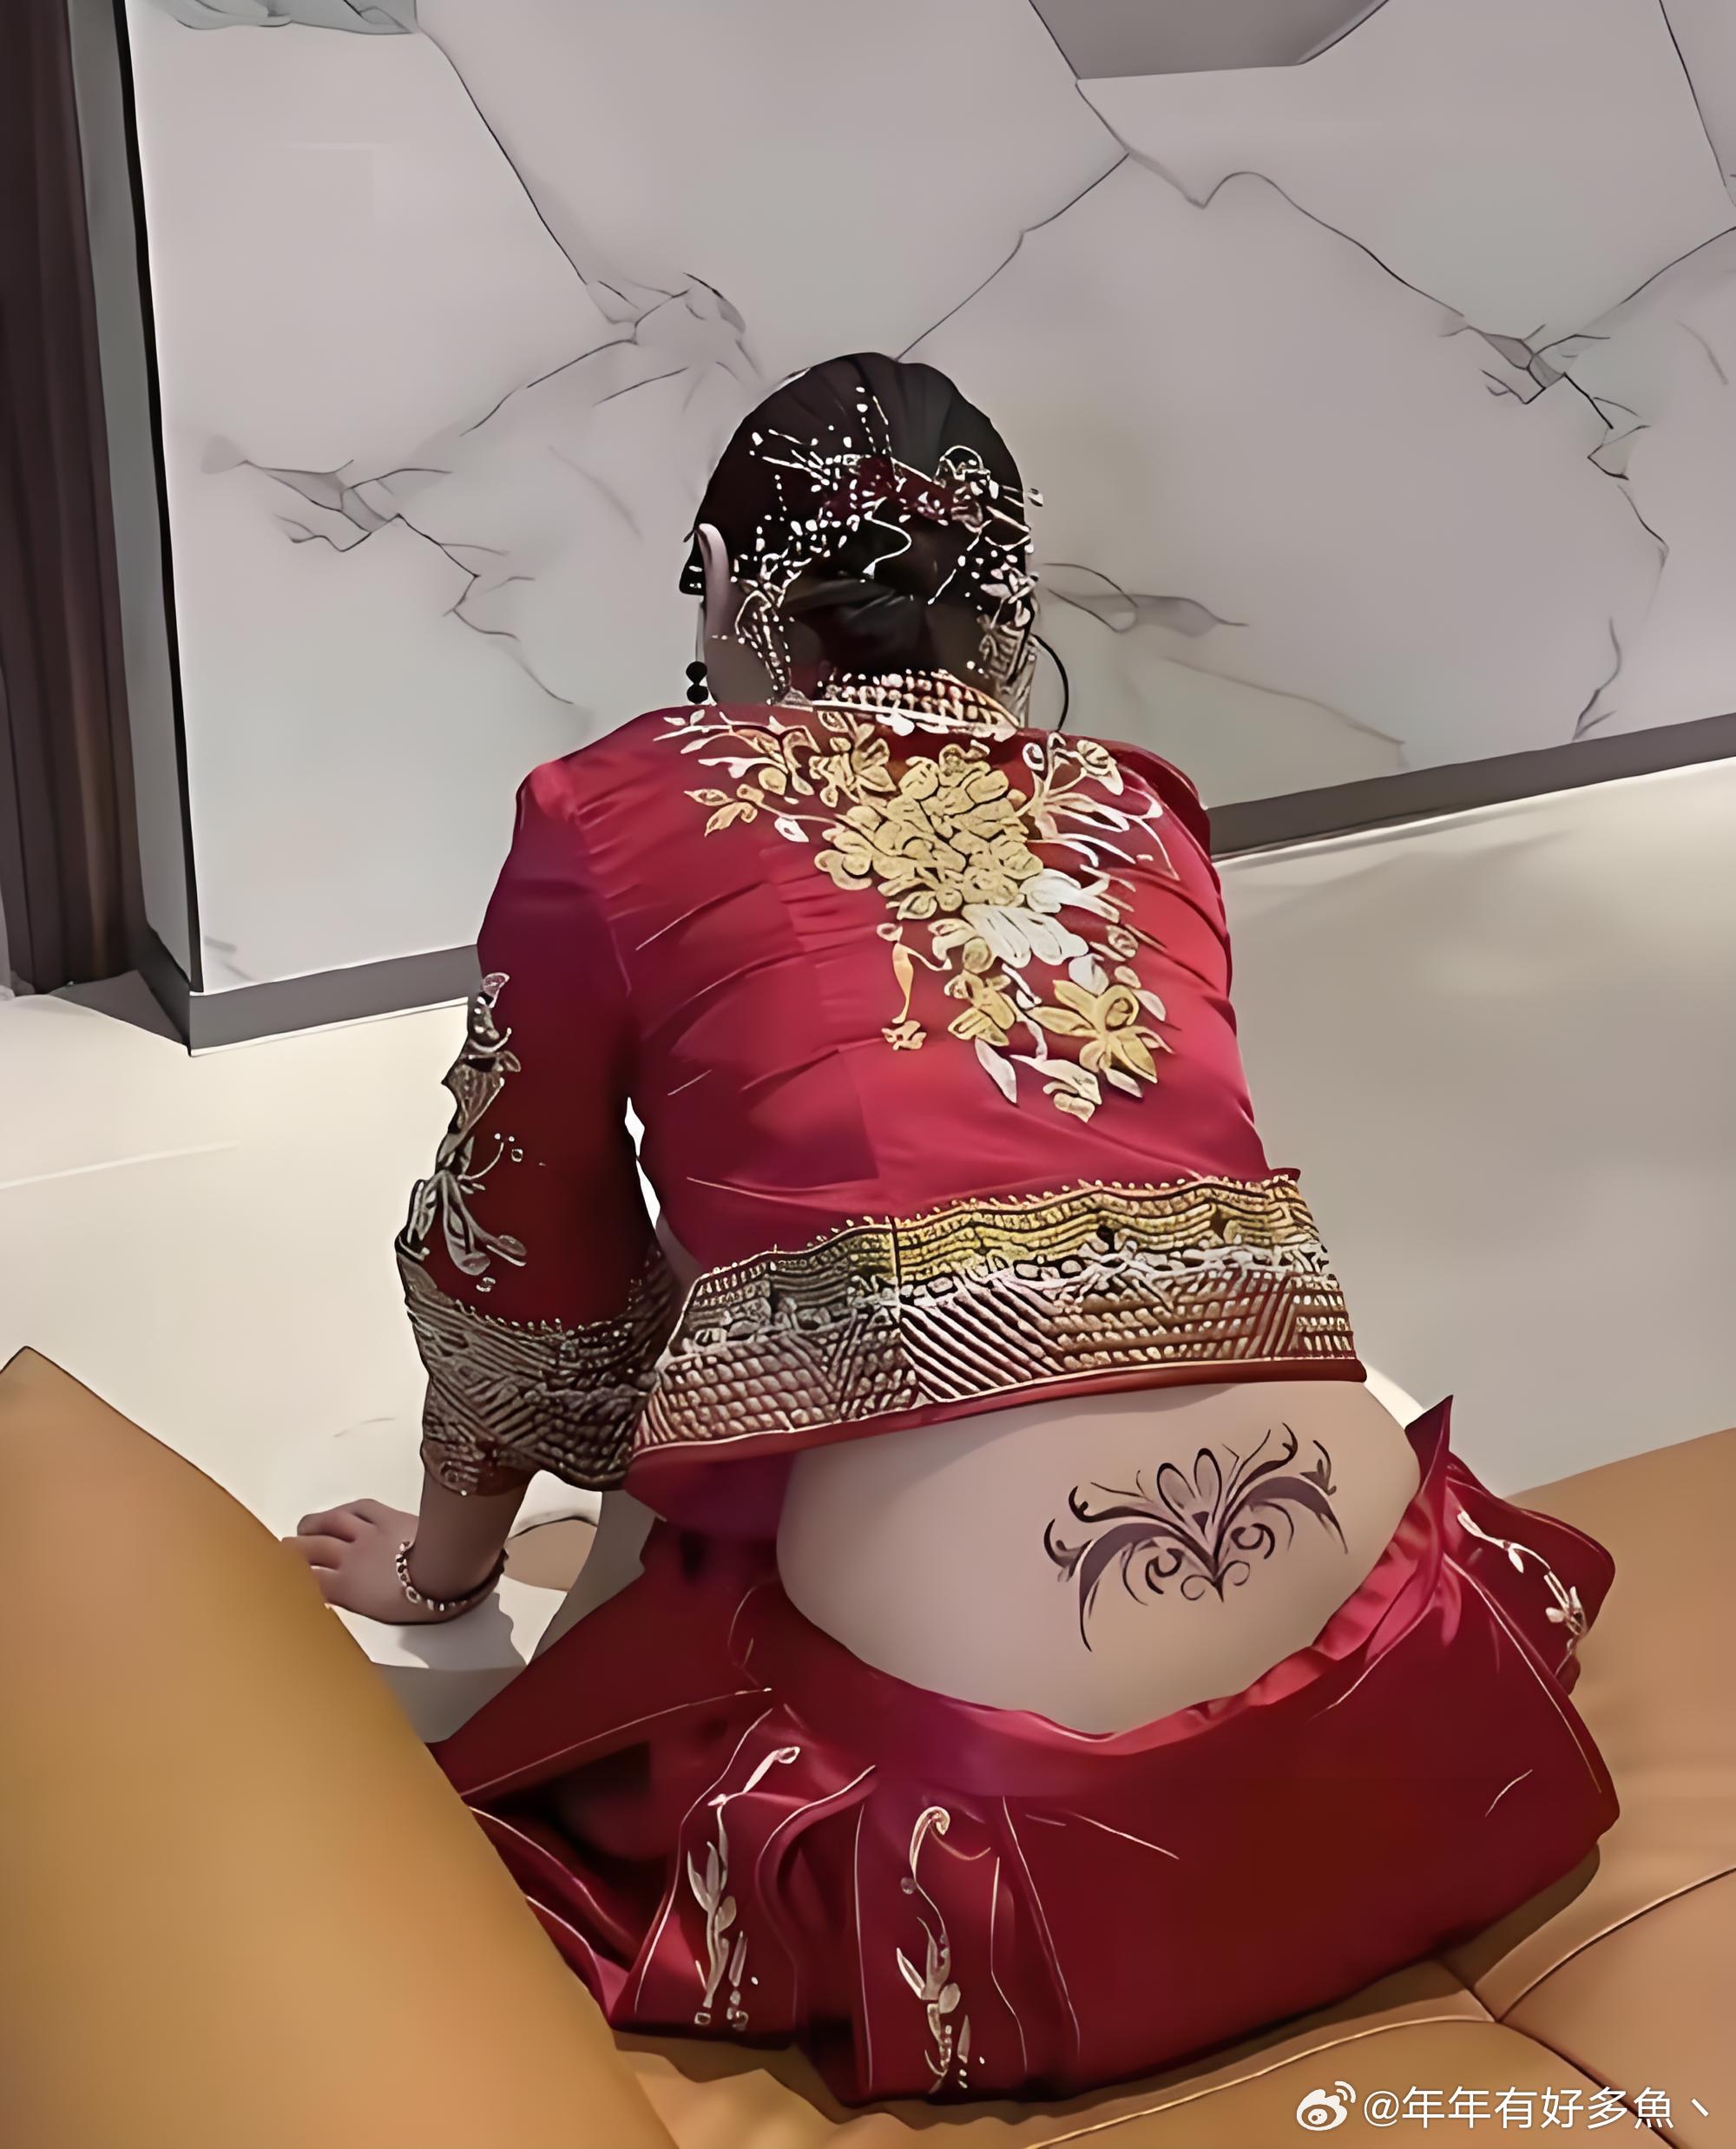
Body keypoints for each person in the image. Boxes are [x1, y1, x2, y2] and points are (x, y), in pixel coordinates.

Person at [289, 355, 1617, 2104]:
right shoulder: (1137, 798)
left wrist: (448, 1568)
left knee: (718, 1293)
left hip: (1002, 1818)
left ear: (722, 588)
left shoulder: (605, 812)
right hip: (1402, 1684)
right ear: (1009, 605)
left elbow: (515, 1244)